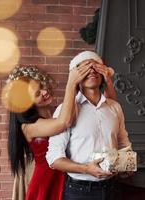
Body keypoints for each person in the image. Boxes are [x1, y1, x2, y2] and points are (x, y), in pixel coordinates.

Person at [7, 63, 117, 200]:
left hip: (68, 175)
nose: (44, 92)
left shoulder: (56, 112)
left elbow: (111, 108)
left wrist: (107, 80)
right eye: (37, 93)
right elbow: (64, 123)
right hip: (48, 179)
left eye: (41, 86)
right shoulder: (29, 126)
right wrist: (71, 83)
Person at [46, 51, 132, 200]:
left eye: (95, 67)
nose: (91, 71)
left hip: (113, 188)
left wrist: (126, 164)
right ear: (76, 76)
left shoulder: (115, 107)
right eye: (85, 68)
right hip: (79, 192)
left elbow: (123, 142)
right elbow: (53, 158)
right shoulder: (65, 110)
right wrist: (86, 169)